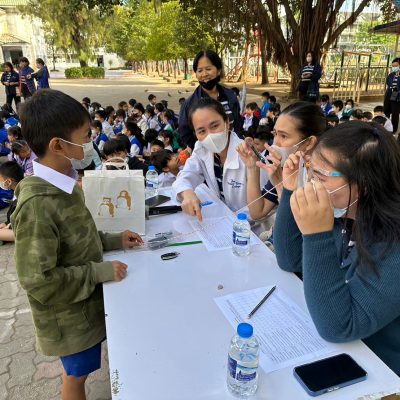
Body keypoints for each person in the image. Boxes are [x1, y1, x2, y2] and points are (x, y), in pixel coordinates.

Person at [12, 89, 143, 400]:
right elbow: (38, 280)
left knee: (77, 370)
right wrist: (99, 271)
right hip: (69, 320)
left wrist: (113, 239)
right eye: (85, 136)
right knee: (76, 376)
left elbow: (77, 238)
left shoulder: (65, 182)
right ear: (58, 145)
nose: (90, 143)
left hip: (83, 310)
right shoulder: (37, 205)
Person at [273, 121, 400, 376]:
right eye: (310, 171)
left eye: (320, 176)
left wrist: (316, 235)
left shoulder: (392, 245)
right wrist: (289, 189)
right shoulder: (344, 214)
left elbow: (339, 327)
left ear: (364, 184)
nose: (311, 183)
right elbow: (289, 259)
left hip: (381, 371)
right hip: (344, 354)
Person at [237, 102, 326, 221]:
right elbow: (257, 212)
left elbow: (298, 226)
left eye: (283, 136)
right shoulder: (286, 166)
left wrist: (281, 186)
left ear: (309, 142)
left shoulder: (324, 178)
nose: (275, 143)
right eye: (275, 134)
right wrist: (253, 166)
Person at [173, 97, 247, 221]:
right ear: (195, 134)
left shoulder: (247, 155)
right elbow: (185, 175)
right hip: (221, 221)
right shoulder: (201, 148)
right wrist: (186, 193)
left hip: (249, 227)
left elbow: (262, 206)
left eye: (215, 126)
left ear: (227, 122)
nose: (210, 135)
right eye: (202, 131)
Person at [178, 50, 241, 149]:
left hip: (232, 150)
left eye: (208, 69)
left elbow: (238, 124)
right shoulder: (190, 104)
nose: (204, 74)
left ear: (218, 70)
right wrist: (205, 150)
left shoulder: (230, 96)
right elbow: (185, 133)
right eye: (200, 71)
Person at [0, 161, 24, 243]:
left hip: (26, 231)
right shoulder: (18, 190)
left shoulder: (22, 195)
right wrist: (6, 223)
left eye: (0, 180)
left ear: (9, 181)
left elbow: (23, 219)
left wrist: (9, 226)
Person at [384, 57, 400, 134]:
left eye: (396, 66)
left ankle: (393, 130)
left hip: (397, 94)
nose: (394, 67)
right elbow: (388, 82)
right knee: (386, 110)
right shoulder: (391, 75)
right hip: (389, 93)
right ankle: (385, 127)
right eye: (393, 66)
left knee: (395, 113)